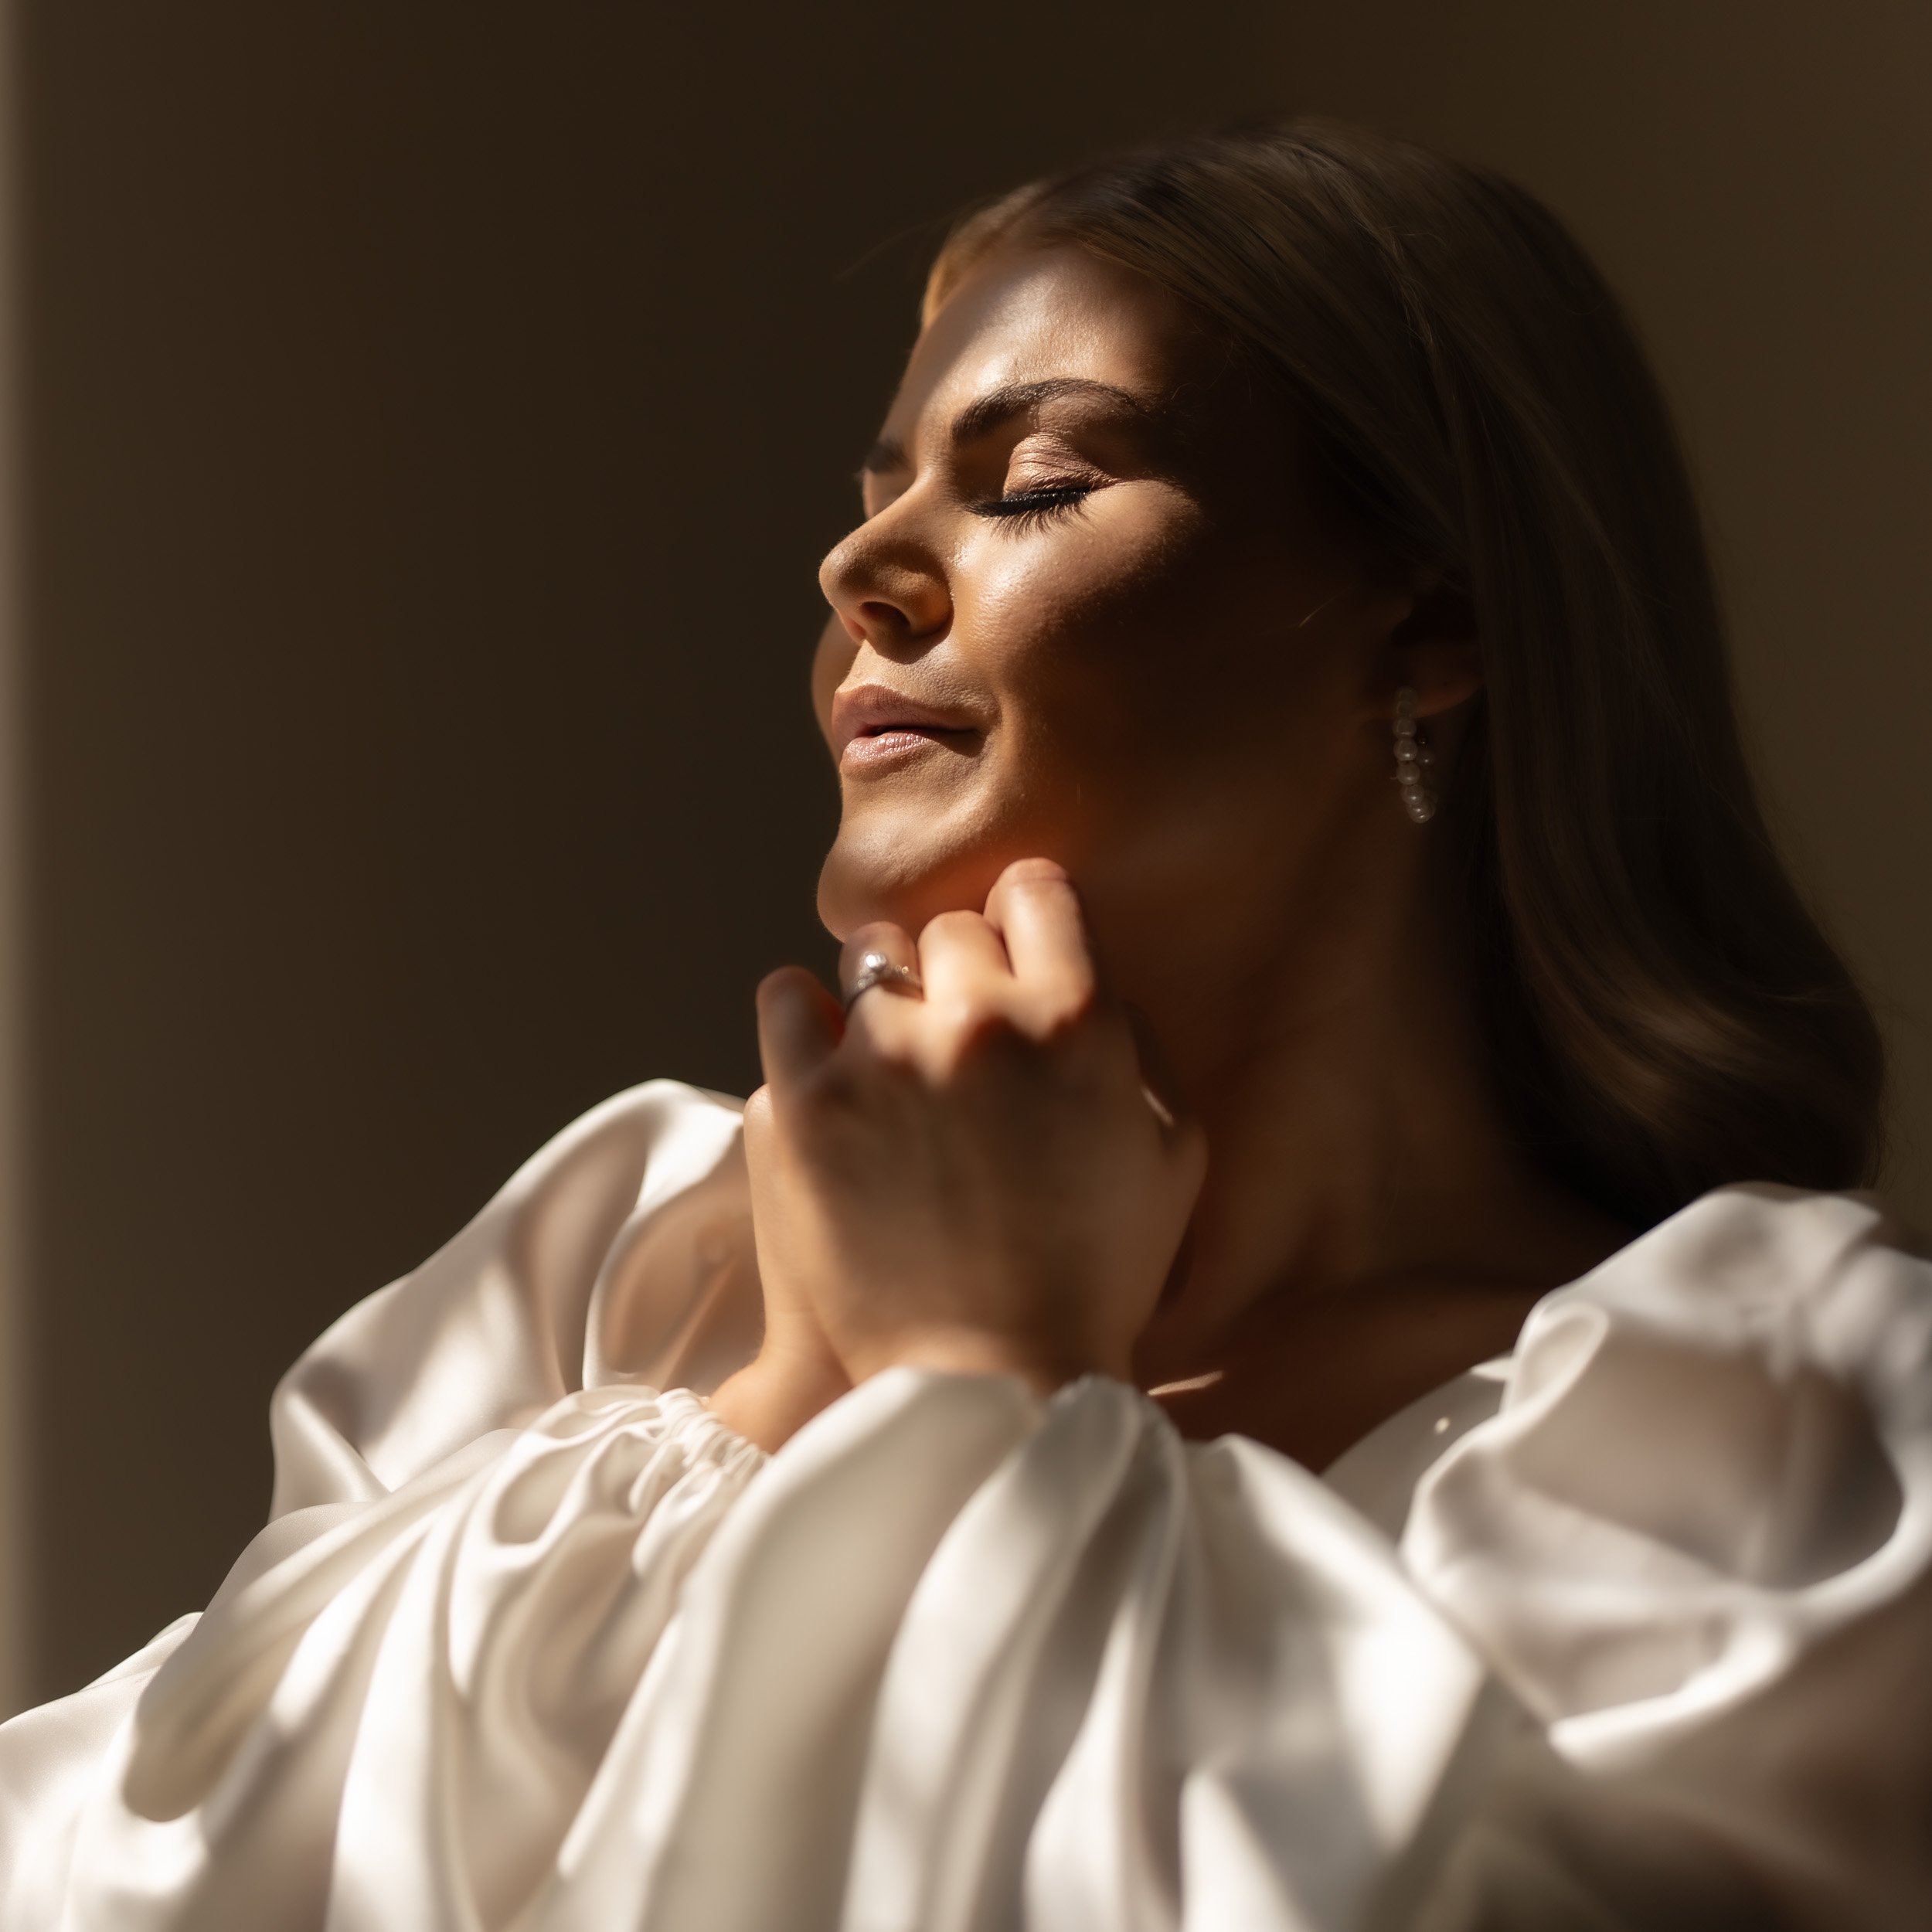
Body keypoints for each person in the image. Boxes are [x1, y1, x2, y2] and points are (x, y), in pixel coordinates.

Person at [0, 121, 1926, 1930]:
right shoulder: (636, 1258)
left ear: (1426, 617)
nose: (856, 574)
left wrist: (976, 1377)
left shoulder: (1785, 1422)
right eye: (872, 501)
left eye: (1032, 484)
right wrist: (774, 1408)